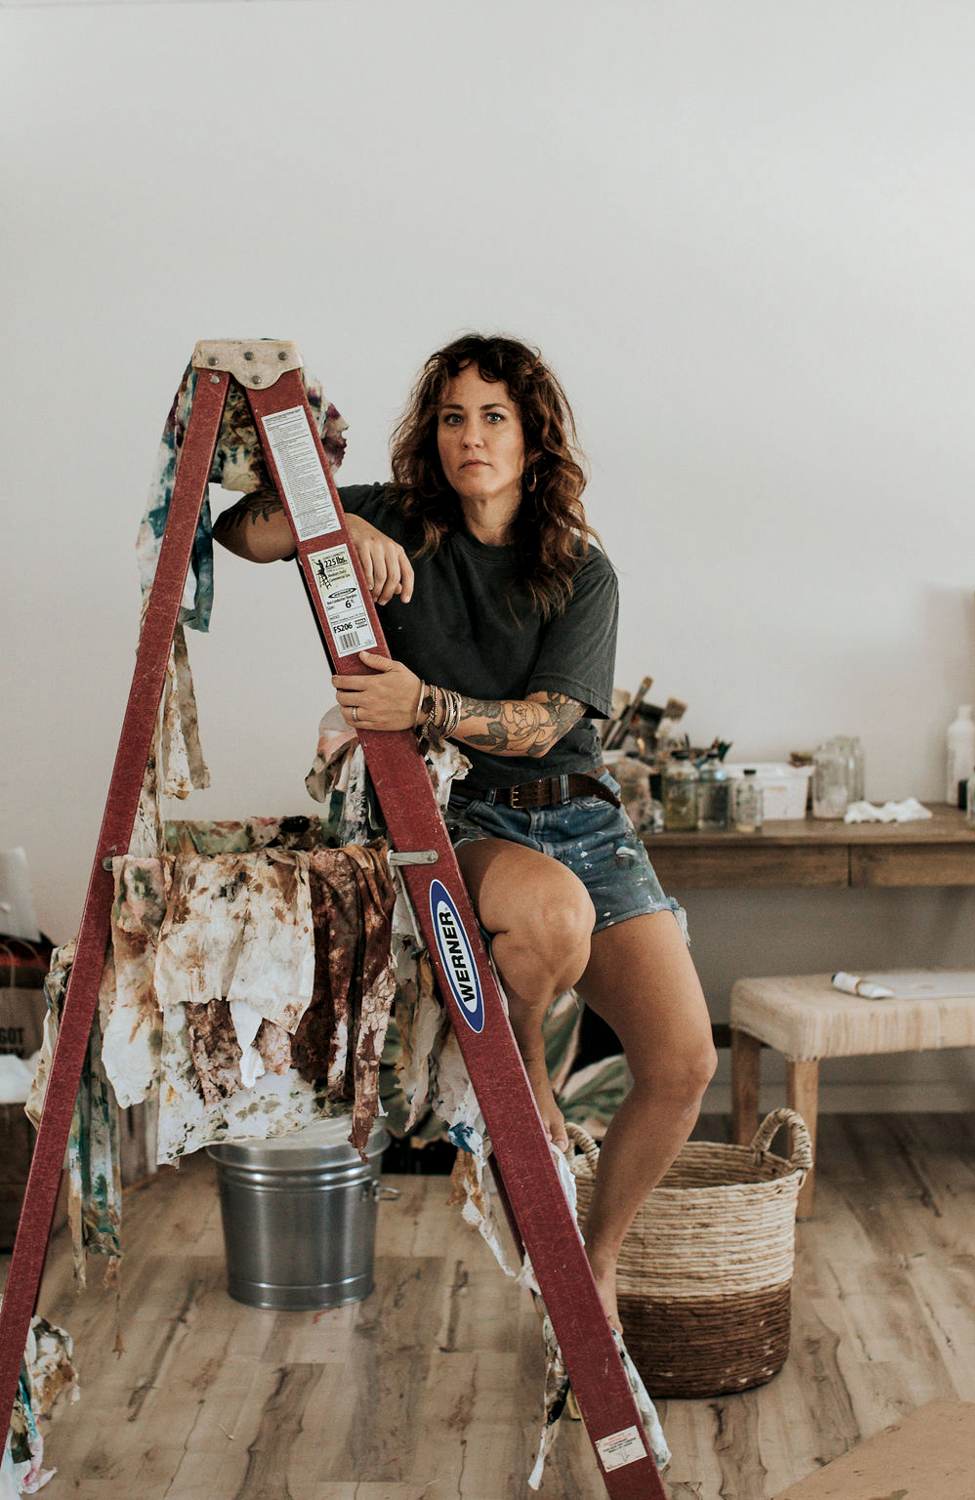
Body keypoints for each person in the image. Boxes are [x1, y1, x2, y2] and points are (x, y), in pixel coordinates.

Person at [213, 333, 717, 1329]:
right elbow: (238, 532)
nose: (470, 437)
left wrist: (426, 705)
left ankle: (595, 1257)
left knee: (683, 1063)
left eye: (494, 416)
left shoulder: (579, 569)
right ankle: (520, 1071)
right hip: (472, 820)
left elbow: (546, 721)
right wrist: (334, 532)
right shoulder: (398, 515)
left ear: (533, 437)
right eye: (452, 417)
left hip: (585, 817)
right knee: (552, 924)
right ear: (431, 434)